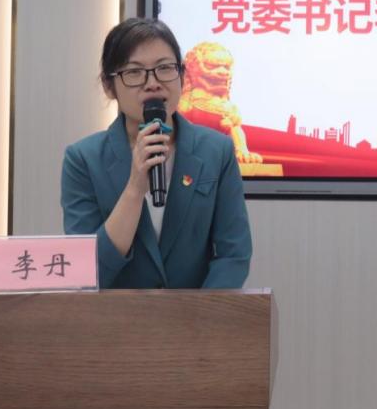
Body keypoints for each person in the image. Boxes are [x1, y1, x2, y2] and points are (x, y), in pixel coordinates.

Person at [61, 17, 252, 288]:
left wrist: (201, 311)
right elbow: (89, 270)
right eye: (134, 72)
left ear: (182, 77)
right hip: (118, 314)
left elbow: (234, 254)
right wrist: (135, 187)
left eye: (164, 68)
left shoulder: (216, 151)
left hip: (197, 313)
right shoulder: (83, 160)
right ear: (108, 85)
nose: (152, 83)